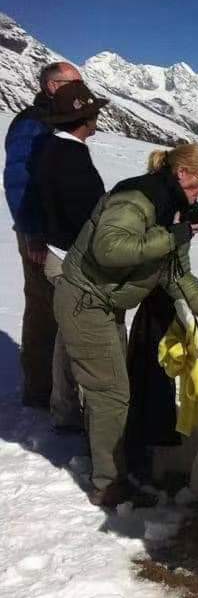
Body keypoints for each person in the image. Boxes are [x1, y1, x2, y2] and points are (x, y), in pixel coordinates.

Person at [53, 143, 198, 508]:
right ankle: (109, 482)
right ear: (183, 174)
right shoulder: (136, 199)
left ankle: (112, 459)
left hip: (105, 304)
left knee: (109, 388)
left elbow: (178, 276)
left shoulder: (174, 211)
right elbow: (109, 248)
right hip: (85, 301)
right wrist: (171, 236)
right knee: (110, 393)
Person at [3, 61, 82, 407]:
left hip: (57, 230)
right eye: (75, 83)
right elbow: (18, 180)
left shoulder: (54, 119)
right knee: (42, 305)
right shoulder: (32, 124)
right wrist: (33, 232)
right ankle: (39, 388)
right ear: (53, 86)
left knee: (58, 304)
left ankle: (56, 384)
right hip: (39, 231)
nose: (82, 89)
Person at [32, 80, 109, 429]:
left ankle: (63, 407)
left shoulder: (49, 149)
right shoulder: (72, 158)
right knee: (83, 338)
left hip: (55, 251)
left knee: (67, 333)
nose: (97, 119)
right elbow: (85, 218)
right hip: (72, 260)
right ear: (83, 119)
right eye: (93, 113)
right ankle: (76, 412)